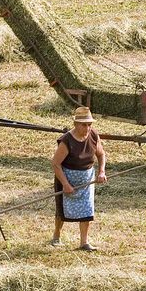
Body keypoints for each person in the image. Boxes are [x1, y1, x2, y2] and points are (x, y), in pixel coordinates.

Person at [51, 106, 107, 251]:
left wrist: (101, 172)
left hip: (86, 179)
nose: (87, 128)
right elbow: (56, 164)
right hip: (67, 177)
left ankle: (84, 242)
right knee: (62, 210)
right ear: (76, 124)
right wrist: (65, 184)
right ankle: (56, 235)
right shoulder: (67, 141)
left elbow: (101, 155)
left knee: (87, 210)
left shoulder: (94, 135)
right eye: (84, 125)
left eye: (89, 124)